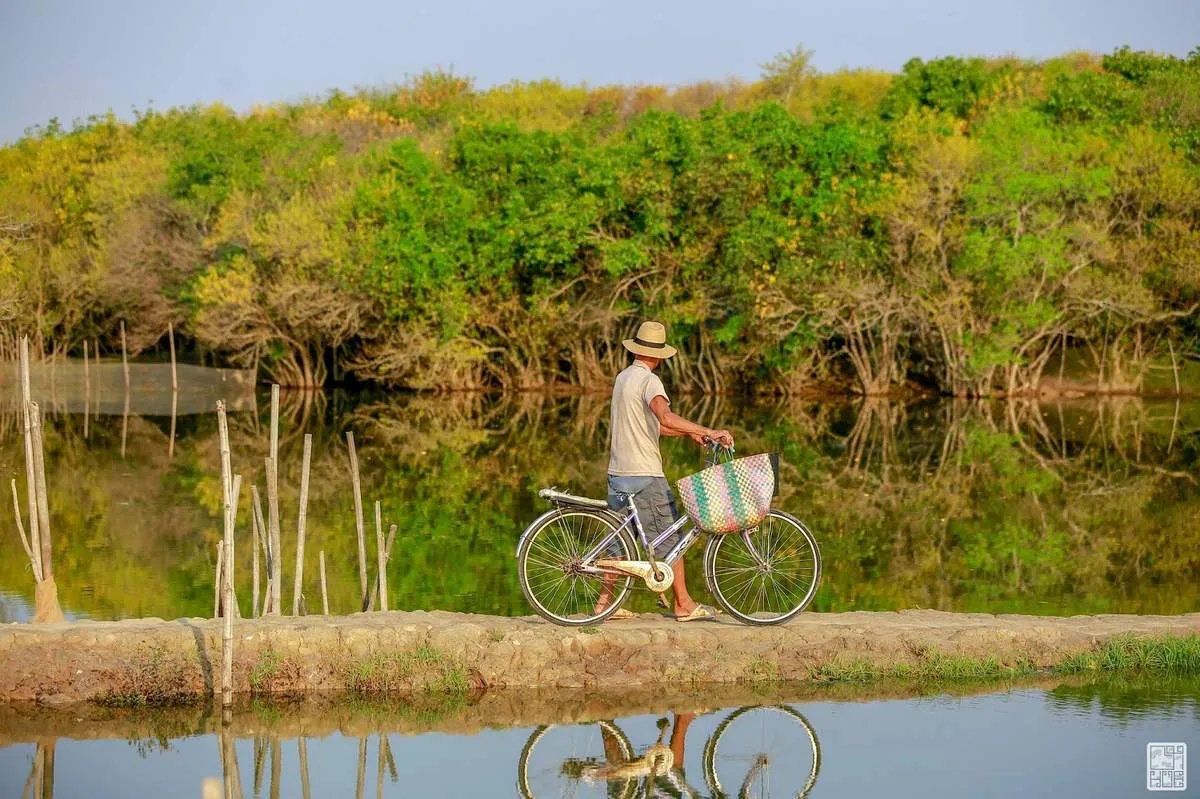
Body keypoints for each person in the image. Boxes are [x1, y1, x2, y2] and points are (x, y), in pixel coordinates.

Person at [599, 320, 735, 622]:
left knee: (618, 541)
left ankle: (603, 605)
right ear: (659, 355)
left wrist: (688, 434)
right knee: (672, 536)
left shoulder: (624, 378)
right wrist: (709, 430)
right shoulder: (650, 382)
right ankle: (684, 603)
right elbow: (666, 415)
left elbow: (654, 426)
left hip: (619, 472)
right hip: (644, 475)